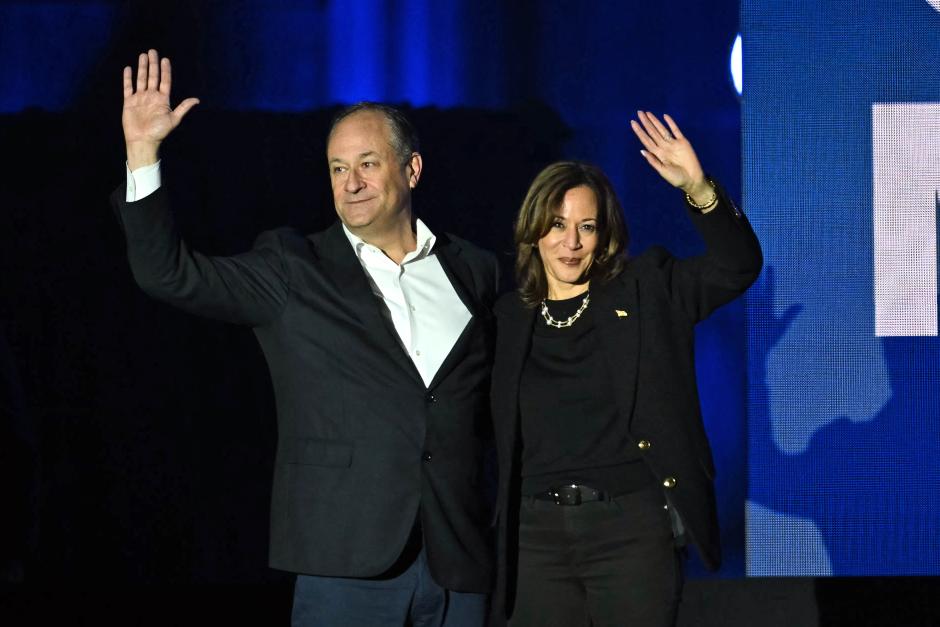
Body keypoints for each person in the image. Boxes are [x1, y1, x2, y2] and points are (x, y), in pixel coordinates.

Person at [114, 50, 498, 627]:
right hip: (346, 561)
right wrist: (143, 153)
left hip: (458, 565)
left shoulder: (474, 269)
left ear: (411, 171)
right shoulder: (293, 267)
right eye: (338, 168)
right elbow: (169, 274)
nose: (352, 183)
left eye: (368, 164)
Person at [489, 112, 763, 627]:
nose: (570, 243)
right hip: (534, 539)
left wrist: (699, 189)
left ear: (604, 232)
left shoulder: (647, 290)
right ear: (533, 229)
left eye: (586, 227)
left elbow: (737, 267)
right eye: (556, 224)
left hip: (630, 532)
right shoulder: (505, 318)